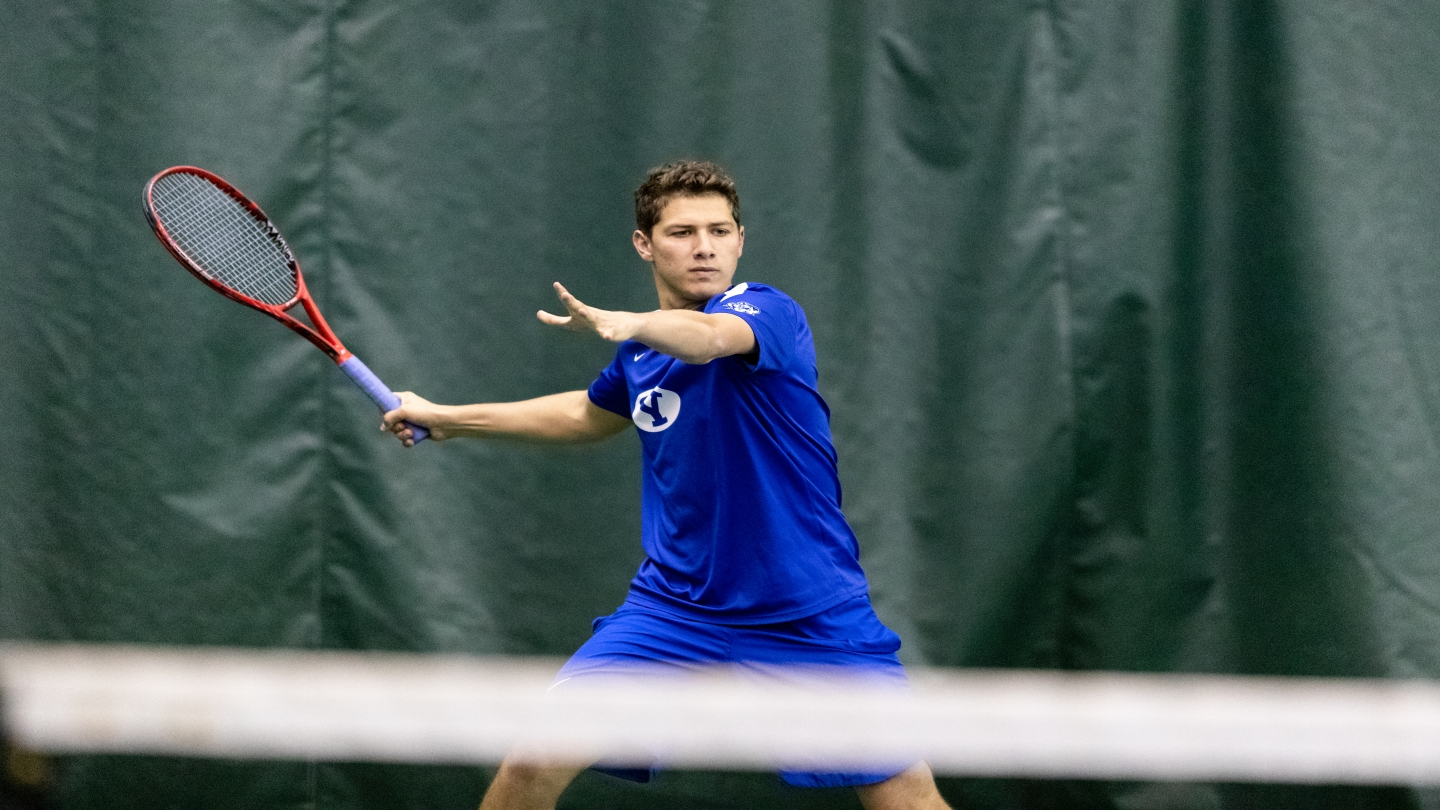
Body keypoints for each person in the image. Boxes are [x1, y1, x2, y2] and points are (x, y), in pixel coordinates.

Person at [383, 160, 951, 810]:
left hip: (808, 613)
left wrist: (630, 321)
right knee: (531, 763)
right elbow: (586, 416)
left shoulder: (767, 311)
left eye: (719, 230)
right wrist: (447, 419)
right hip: (673, 610)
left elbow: (708, 339)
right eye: (682, 232)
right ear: (644, 244)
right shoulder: (638, 356)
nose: (705, 246)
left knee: (905, 799)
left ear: (740, 239)